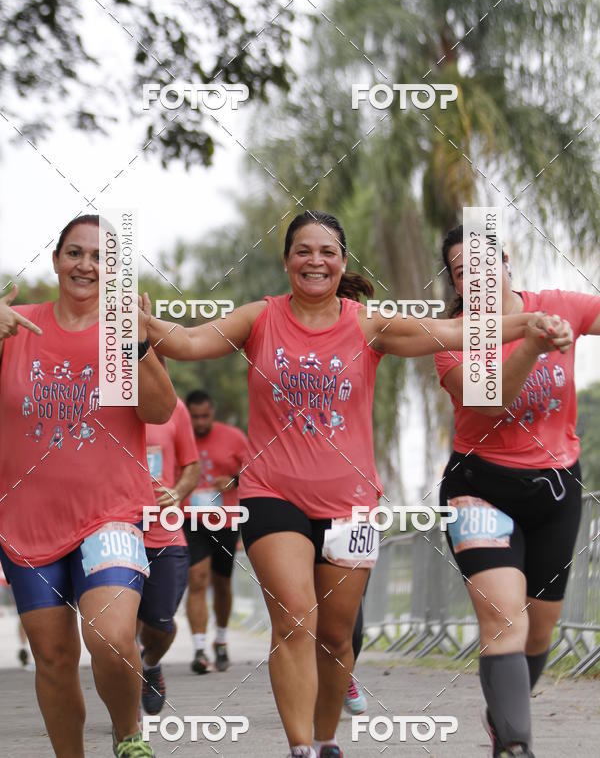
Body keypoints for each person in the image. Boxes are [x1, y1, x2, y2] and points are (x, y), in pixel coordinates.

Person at [145, 209, 562, 758]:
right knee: (295, 619)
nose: (315, 260)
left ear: (342, 263)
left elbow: (452, 330)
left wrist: (527, 324)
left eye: (328, 252)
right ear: (287, 259)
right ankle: (300, 749)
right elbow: (191, 342)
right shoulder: (261, 318)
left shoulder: (367, 324)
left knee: (337, 637)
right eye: (303, 250)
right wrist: (143, 324)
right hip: (273, 494)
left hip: (352, 505)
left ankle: (324, 740)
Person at [0, 215, 176, 758]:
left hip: (111, 514)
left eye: (100, 257)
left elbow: (160, 408)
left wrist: (138, 343)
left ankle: (129, 737)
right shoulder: (16, 328)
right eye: (75, 253)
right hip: (27, 523)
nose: (86, 265)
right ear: (56, 261)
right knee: (52, 658)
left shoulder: (122, 332)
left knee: (111, 638)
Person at [435, 224, 597, 758]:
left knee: (538, 633)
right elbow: (490, 401)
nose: (476, 277)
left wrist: (556, 330)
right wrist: (531, 343)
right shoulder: (452, 337)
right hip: (479, 489)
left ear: (505, 261)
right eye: (462, 271)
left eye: (484, 264)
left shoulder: (556, 305)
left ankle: (503, 712)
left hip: (556, 489)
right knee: (505, 617)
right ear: (456, 284)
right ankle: (516, 745)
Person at [139, 388, 201, 713]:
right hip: (117, 530)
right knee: (118, 627)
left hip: (165, 533)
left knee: (161, 624)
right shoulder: (105, 401)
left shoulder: (174, 407)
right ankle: (125, 714)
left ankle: (148, 664)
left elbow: (192, 466)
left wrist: (177, 492)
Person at [183, 389, 247, 673]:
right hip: (189, 518)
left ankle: (220, 640)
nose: (199, 422)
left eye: (204, 416)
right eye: (194, 417)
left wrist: (234, 480)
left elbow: (257, 470)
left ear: (213, 412)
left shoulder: (233, 437)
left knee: (222, 584)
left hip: (226, 520)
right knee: (197, 579)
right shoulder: (178, 435)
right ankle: (199, 649)